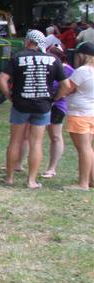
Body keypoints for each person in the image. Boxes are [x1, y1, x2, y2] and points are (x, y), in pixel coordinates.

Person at [0, 30, 66, 188]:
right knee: (36, 143)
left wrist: (9, 96)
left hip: (20, 104)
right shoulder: (53, 59)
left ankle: (10, 178)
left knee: (15, 141)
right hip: (43, 106)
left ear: (28, 41)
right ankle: (31, 181)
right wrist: (54, 98)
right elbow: (66, 85)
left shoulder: (18, 57)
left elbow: (2, 80)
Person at [54, 41, 94, 190]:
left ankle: (82, 183)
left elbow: (68, 88)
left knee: (83, 149)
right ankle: (91, 179)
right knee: (88, 148)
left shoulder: (83, 71)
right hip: (91, 112)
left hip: (79, 114)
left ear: (82, 56)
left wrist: (55, 97)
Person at [42, 45, 74, 179]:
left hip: (57, 106)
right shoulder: (48, 67)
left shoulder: (69, 70)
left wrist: (56, 98)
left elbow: (69, 88)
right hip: (42, 104)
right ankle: (18, 163)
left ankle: (52, 168)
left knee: (55, 135)